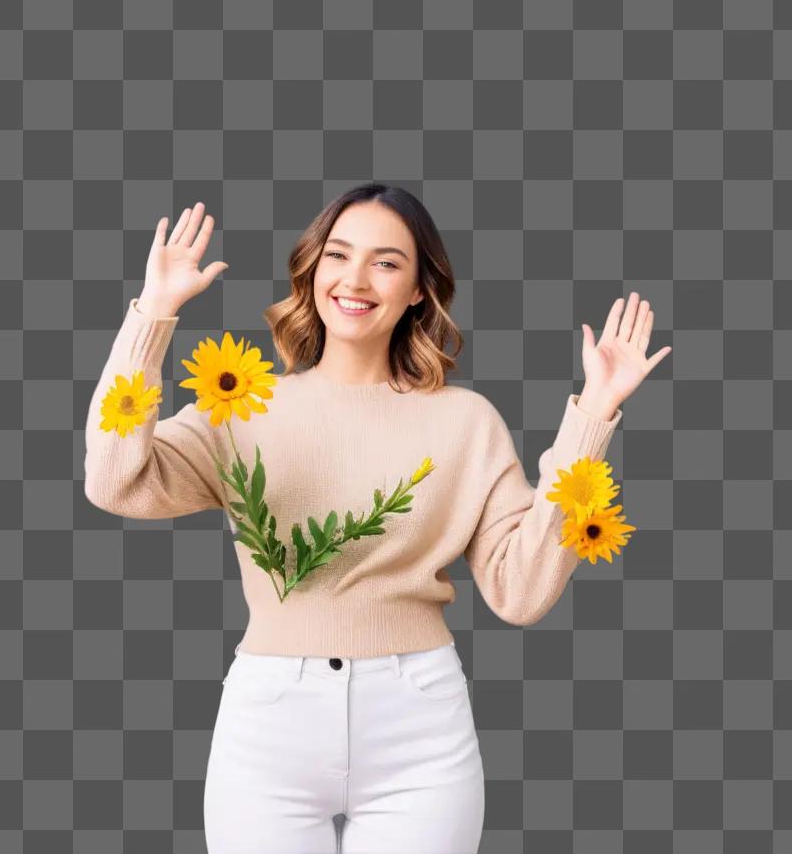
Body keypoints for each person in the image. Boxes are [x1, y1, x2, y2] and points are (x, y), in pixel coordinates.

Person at [82, 183, 670, 853]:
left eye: (387, 262)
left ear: (420, 288)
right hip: (270, 722)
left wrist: (592, 415)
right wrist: (153, 314)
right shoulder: (240, 403)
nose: (355, 279)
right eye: (338, 255)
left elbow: (522, 591)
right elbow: (113, 482)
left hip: (418, 723)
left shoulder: (465, 421)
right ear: (313, 269)